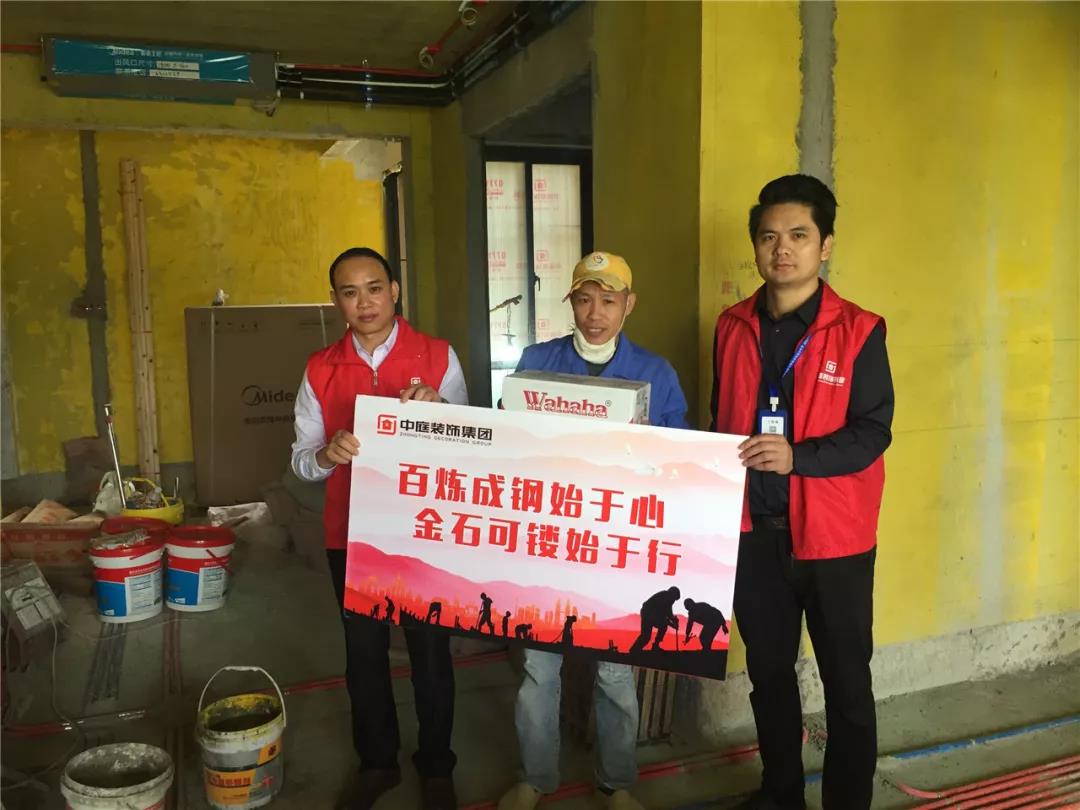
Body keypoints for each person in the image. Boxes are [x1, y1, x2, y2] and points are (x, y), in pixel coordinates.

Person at [711, 175, 894, 810]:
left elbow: (873, 432)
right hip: (754, 536)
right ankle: (781, 793)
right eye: (769, 237)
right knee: (768, 677)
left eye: (798, 235)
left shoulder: (860, 330)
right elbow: (721, 418)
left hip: (834, 542)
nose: (781, 249)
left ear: (825, 245)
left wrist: (798, 458)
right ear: (756, 247)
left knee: (848, 687)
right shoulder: (732, 326)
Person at [498, 251, 690, 810]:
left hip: (618, 548)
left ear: (629, 305)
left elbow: (680, 458)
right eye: (584, 300)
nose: (595, 313)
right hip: (550, 542)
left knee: (615, 673)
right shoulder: (537, 361)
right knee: (539, 669)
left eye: (608, 300)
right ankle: (535, 777)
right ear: (572, 303)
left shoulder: (656, 373)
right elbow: (507, 444)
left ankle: (617, 782)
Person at [291, 246, 469, 810]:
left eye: (374, 288)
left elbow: (471, 445)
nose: (364, 302)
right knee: (364, 655)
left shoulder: (437, 356)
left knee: (430, 653)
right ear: (336, 301)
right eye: (350, 292)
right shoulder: (320, 368)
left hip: (424, 533)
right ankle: (377, 763)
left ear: (394, 291)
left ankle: (436, 767)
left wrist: (441, 410)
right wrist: (327, 455)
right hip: (351, 533)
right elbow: (300, 460)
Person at [629, 586, 681, 653]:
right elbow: (663, 615)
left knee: (647, 635)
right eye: (674, 598)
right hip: (648, 614)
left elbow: (669, 613)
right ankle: (636, 650)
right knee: (647, 636)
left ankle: (637, 649)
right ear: (672, 594)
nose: (673, 601)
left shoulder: (668, 599)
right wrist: (672, 623)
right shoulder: (664, 598)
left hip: (648, 613)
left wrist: (673, 619)